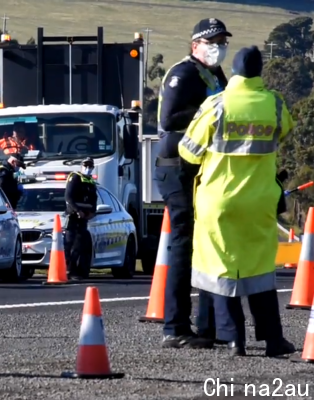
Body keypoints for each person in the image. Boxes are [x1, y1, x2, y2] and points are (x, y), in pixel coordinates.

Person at [178, 46, 296, 357]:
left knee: (221, 268)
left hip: (218, 200)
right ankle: (273, 340)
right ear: (260, 71)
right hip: (260, 201)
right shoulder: (274, 104)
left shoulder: (216, 104)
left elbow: (187, 150)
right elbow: (285, 131)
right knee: (259, 270)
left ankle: (234, 340)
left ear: (234, 71)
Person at [155, 18, 233, 349]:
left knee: (206, 242)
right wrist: (208, 114)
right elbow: (169, 119)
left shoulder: (215, 75)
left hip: (203, 167)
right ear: (195, 45)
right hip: (176, 166)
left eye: (222, 41)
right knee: (183, 243)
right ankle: (175, 327)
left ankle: (208, 326)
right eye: (211, 41)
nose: (218, 46)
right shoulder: (182, 74)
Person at [64, 157, 97, 280]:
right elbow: (69, 197)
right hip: (73, 217)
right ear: (81, 166)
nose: (87, 168)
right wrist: (77, 211)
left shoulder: (90, 181)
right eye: (85, 165)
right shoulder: (75, 178)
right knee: (70, 245)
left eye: (90, 166)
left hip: (85, 218)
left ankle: (78, 271)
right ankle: (69, 270)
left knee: (80, 246)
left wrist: (92, 212)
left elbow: (94, 200)